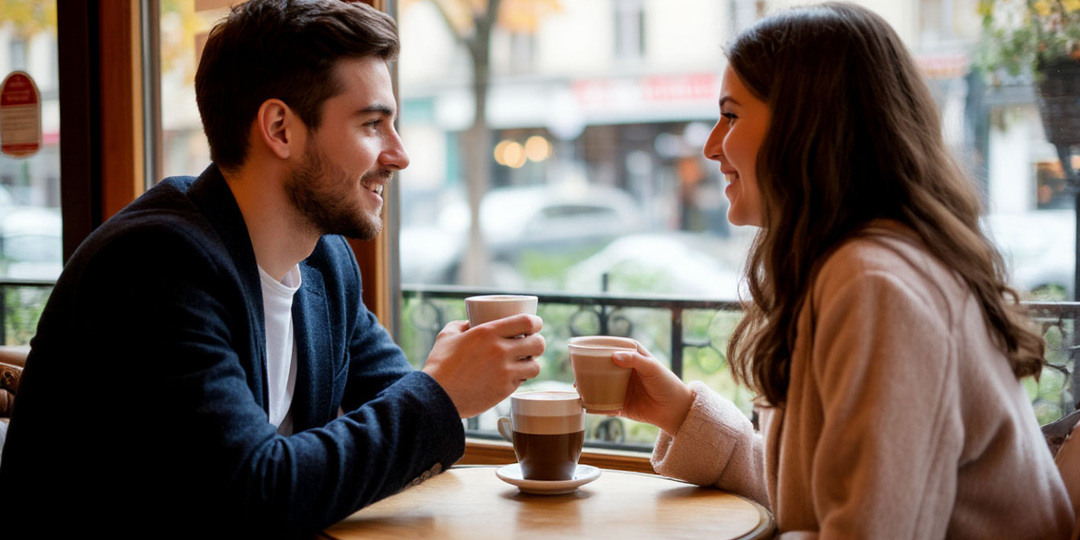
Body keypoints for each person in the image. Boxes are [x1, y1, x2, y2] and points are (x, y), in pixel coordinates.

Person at [0, 1, 543, 537]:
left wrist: (454, 383)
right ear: (280, 128)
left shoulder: (325, 264)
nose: (399, 154)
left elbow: (398, 414)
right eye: (372, 124)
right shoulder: (155, 264)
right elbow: (251, 493)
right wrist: (442, 395)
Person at [609, 3, 1074, 538]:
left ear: (805, 128)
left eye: (731, 115)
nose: (713, 145)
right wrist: (684, 415)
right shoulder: (861, 264)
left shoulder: (875, 285)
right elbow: (834, 493)